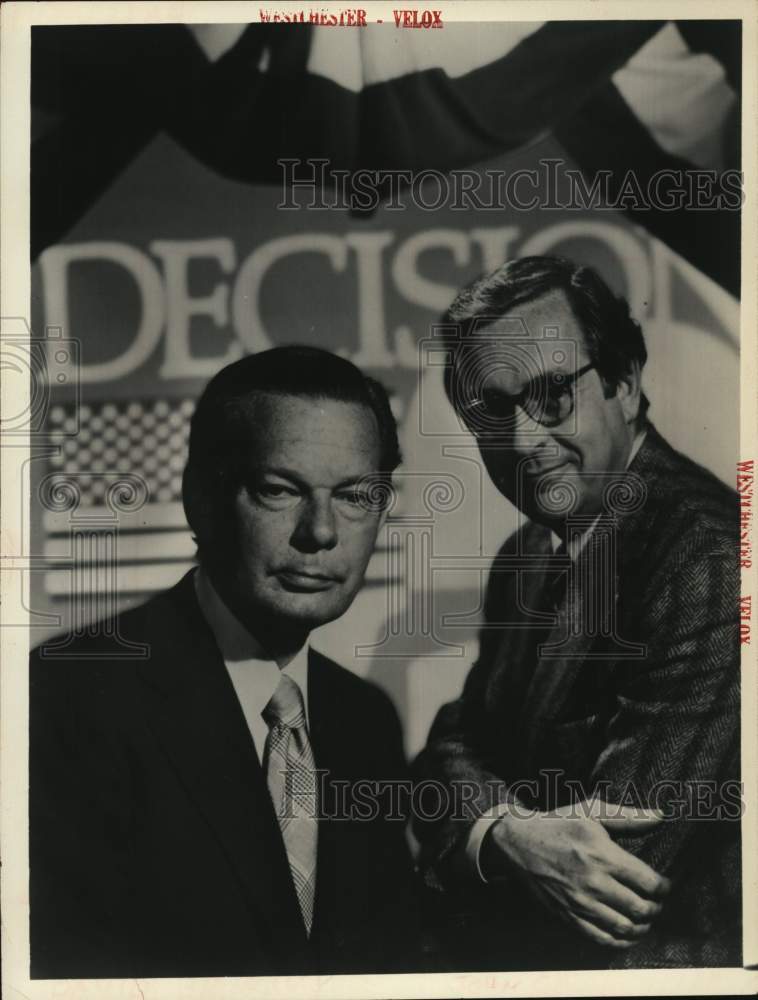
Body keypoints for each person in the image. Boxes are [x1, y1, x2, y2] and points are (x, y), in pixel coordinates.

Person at [30, 346, 424, 978]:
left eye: (355, 495)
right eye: (278, 489)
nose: (321, 532)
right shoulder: (65, 694)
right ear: (200, 500)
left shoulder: (364, 720)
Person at [413, 256, 741, 969]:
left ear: (624, 383)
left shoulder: (713, 561)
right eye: (492, 410)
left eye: (553, 394)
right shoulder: (526, 556)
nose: (524, 440)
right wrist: (504, 834)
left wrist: (477, 832)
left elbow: (618, 876)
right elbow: (447, 752)